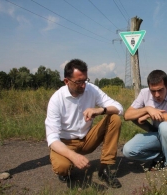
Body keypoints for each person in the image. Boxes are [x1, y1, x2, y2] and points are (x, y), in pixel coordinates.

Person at [45, 59, 123, 188]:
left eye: (85, 80)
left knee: (114, 118)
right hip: (66, 142)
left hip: (87, 139)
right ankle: (66, 169)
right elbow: (52, 138)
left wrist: (100, 110)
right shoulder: (56, 99)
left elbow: (118, 108)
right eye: (79, 82)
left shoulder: (91, 89)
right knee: (62, 167)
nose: (83, 85)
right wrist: (73, 156)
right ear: (66, 81)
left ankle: (105, 168)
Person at [122, 69, 167, 184]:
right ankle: (162, 155)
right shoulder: (144, 93)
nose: (157, 95)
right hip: (158, 133)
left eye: (160, 90)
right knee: (128, 150)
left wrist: (151, 114)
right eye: (153, 91)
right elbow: (127, 115)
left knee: (165, 127)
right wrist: (147, 109)